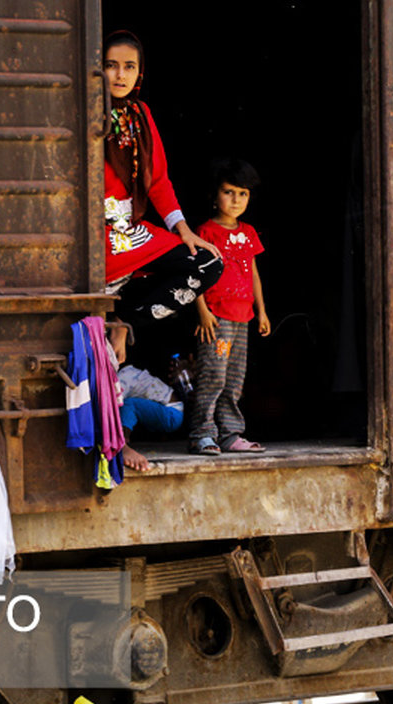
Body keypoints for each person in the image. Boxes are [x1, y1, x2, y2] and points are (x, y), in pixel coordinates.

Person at [101, 30, 222, 364]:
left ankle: (124, 324)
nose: (121, 74)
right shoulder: (85, 112)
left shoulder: (141, 115)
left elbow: (158, 182)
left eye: (129, 66)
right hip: (98, 239)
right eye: (111, 65)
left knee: (208, 262)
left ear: (141, 73)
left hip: (132, 233)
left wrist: (182, 229)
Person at [188, 158, 270, 455]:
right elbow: (194, 274)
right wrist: (202, 311)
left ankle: (230, 434)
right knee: (213, 375)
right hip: (216, 318)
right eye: (229, 192)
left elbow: (253, 272)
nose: (236, 199)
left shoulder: (248, 233)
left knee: (234, 379)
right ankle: (202, 433)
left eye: (243, 193)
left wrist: (261, 311)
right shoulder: (205, 232)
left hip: (242, 316)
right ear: (214, 195)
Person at [116, 363, 184, 472]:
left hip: (172, 414)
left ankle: (122, 441)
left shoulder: (123, 378)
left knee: (129, 405)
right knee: (133, 406)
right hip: (174, 413)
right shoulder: (131, 372)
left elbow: (111, 405)